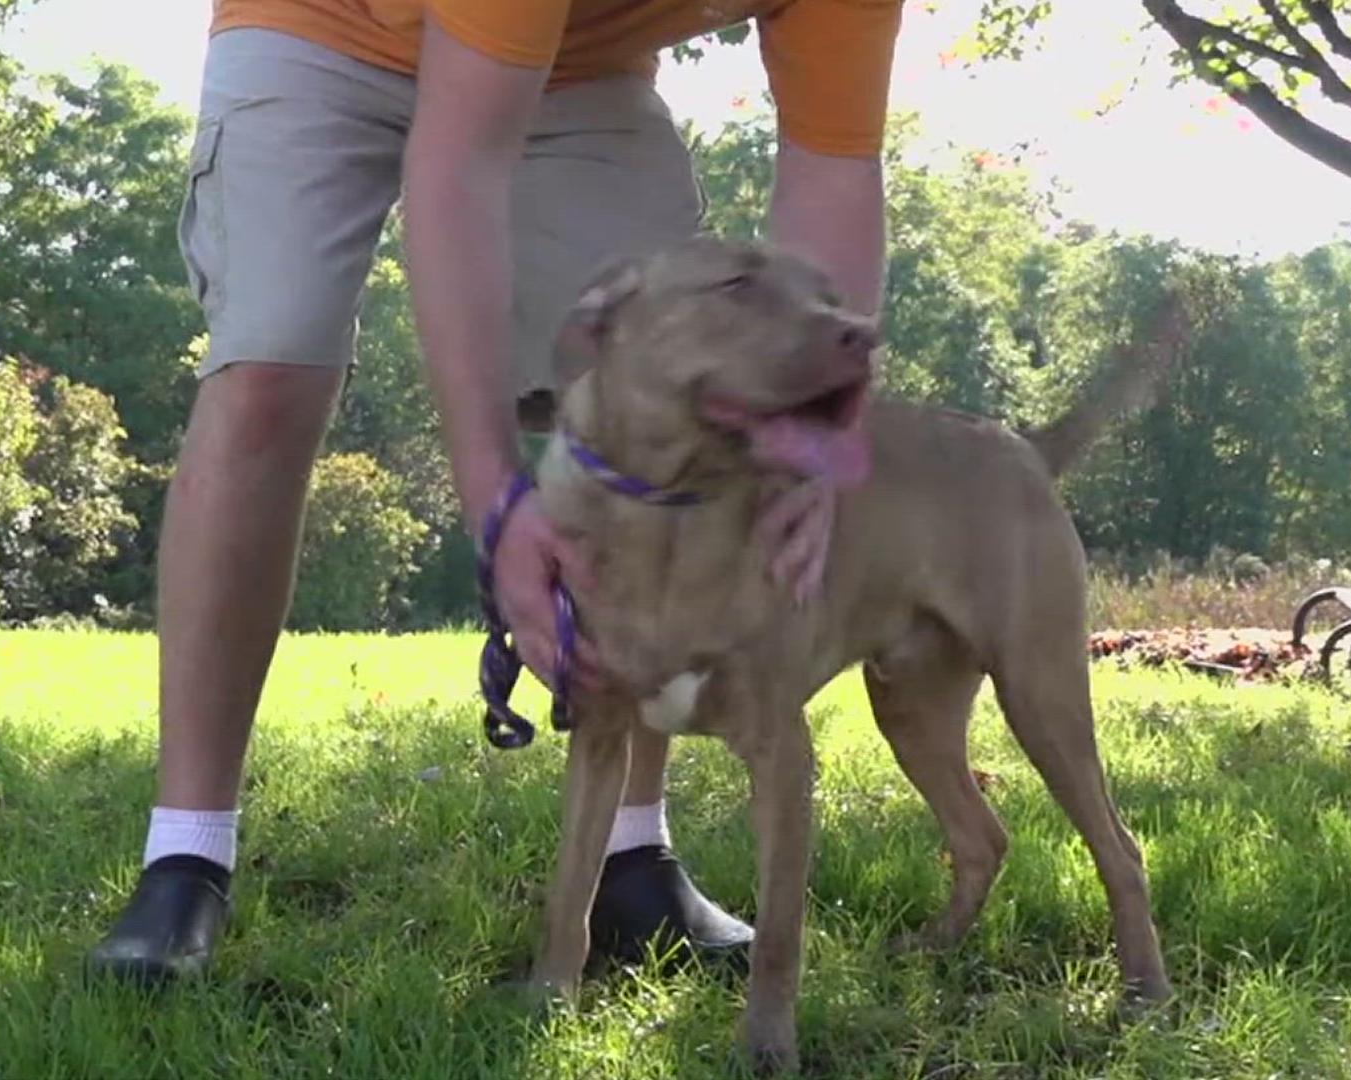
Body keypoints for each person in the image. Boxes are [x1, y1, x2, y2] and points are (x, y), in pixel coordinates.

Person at [85, 0, 906, 983]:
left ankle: (630, 860)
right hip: (319, 27)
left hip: (578, 68)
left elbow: (834, 167)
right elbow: (455, 165)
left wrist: (819, 437)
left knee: (643, 395)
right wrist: (495, 507)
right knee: (272, 364)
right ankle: (186, 858)